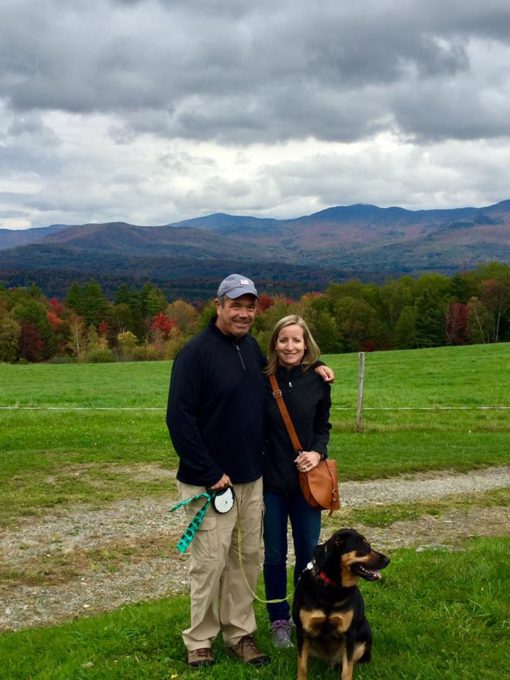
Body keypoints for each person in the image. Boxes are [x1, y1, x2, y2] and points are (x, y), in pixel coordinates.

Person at [166, 275, 333, 669]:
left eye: (250, 306)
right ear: (218, 305)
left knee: (247, 559)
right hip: (209, 483)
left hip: (251, 479)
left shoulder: (252, 348)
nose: (243, 313)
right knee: (209, 562)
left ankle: (239, 633)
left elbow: (287, 369)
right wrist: (209, 471)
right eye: (235, 305)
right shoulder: (195, 354)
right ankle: (200, 640)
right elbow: (179, 420)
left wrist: (318, 365)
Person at [262, 315, 332, 649]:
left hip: (308, 484)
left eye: (297, 341)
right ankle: (278, 620)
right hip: (272, 485)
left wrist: (317, 453)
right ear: (274, 343)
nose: (290, 346)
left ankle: (305, 613)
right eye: (284, 340)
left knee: (308, 554)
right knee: (274, 555)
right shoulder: (262, 379)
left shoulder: (318, 381)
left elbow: (323, 427)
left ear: (307, 344)